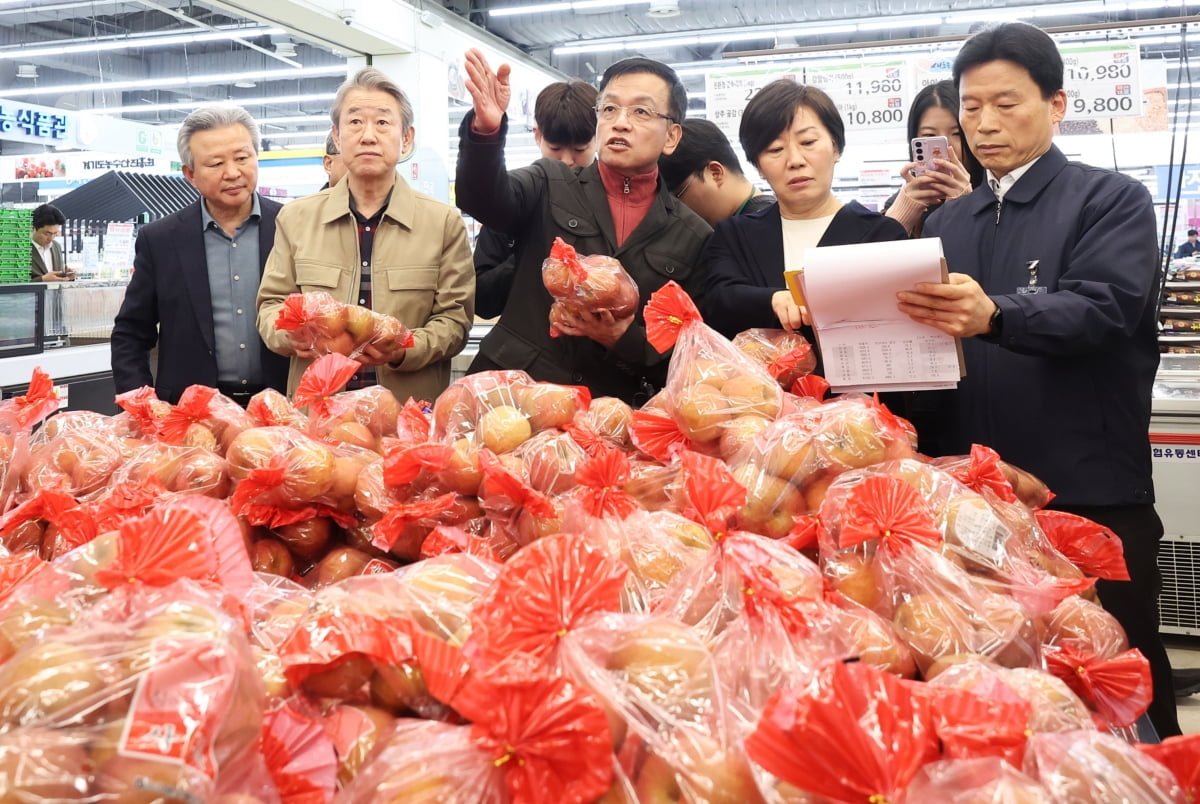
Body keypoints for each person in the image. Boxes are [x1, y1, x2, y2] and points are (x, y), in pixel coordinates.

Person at [896, 21, 1182, 739]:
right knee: (1011, 677)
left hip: (1087, 494)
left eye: (1007, 103)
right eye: (971, 106)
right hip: (981, 505)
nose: (985, 123)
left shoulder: (1109, 200)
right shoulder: (949, 220)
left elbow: (1103, 307)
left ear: (1056, 105)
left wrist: (995, 315)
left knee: (1118, 676)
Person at [455, 50, 711, 405]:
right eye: (609, 109)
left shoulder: (692, 235)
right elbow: (482, 199)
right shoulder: (549, 181)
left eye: (641, 111)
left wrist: (621, 338)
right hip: (509, 397)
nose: (620, 122)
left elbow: (684, 353)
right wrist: (486, 132)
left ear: (671, 136)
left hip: (604, 415)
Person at [257, 66, 474, 404]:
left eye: (383, 122)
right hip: (318, 415)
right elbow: (270, 306)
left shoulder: (442, 222)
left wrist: (402, 349)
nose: (368, 135)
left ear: (406, 138)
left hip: (407, 419)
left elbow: (455, 322)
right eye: (355, 122)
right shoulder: (296, 218)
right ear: (337, 136)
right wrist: (290, 335)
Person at [700, 79, 907, 343]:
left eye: (808, 142)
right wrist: (773, 299)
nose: (795, 161)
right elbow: (718, 300)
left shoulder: (882, 236)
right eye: (775, 149)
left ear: (836, 147)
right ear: (759, 166)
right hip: (759, 384)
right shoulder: (735, 235)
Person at [111, 106, 289, 405]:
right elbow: (130, 333)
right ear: (190, 174)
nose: (232, 172)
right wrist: (141, 402)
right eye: (216, 163)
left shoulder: (291, 226)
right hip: (191, 416)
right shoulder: (161, 240)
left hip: (282, 408)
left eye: (242, 158)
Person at [474, 79, 599, 319]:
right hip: (528, 344)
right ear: (537, 135)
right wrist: (532, 256)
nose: (566, 161)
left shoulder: (613, 199)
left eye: (580, 150)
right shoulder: (513, 199)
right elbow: (482, 301)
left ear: (597, 139)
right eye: (554, 148)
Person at [884, 80, 985, 237]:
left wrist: (964, 207)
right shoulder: (902, 201)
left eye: (957, 133)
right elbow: (877, 259)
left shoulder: (995, 197)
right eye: (929, 136)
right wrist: (900, 219)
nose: (944, 149)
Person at [658, 117, 774, 227]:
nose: (675, 209)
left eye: (678, 195)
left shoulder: (761, 228)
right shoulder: (755, 220)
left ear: (715, 173)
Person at [30, 204, 74, 282]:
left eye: (55, 233)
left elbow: (58, 277)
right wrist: (42, 280)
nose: (51, 238)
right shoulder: (19, 250)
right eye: (47, 234)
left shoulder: (56, 247)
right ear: (33, 228)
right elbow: (9, 285)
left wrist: (67, 276)